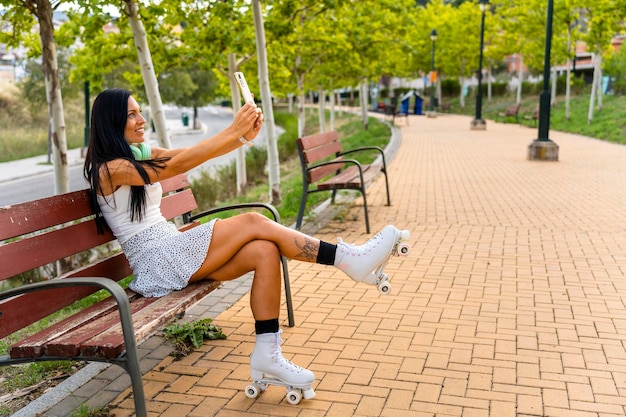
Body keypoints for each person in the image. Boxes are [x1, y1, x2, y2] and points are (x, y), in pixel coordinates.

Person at [83, 88, 407, 400]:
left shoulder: (140, 155)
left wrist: (240, 137)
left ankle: (268, 354)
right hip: (157, 260)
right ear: (111, 122)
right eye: (132, 114)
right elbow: (177, 167)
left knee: (264, 250)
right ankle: (349, 259)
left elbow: (186, 155)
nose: (142, 119)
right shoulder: (109, 169)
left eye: (141, 111)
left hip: (171, 247)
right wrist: (232, 130)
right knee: (253, 221)